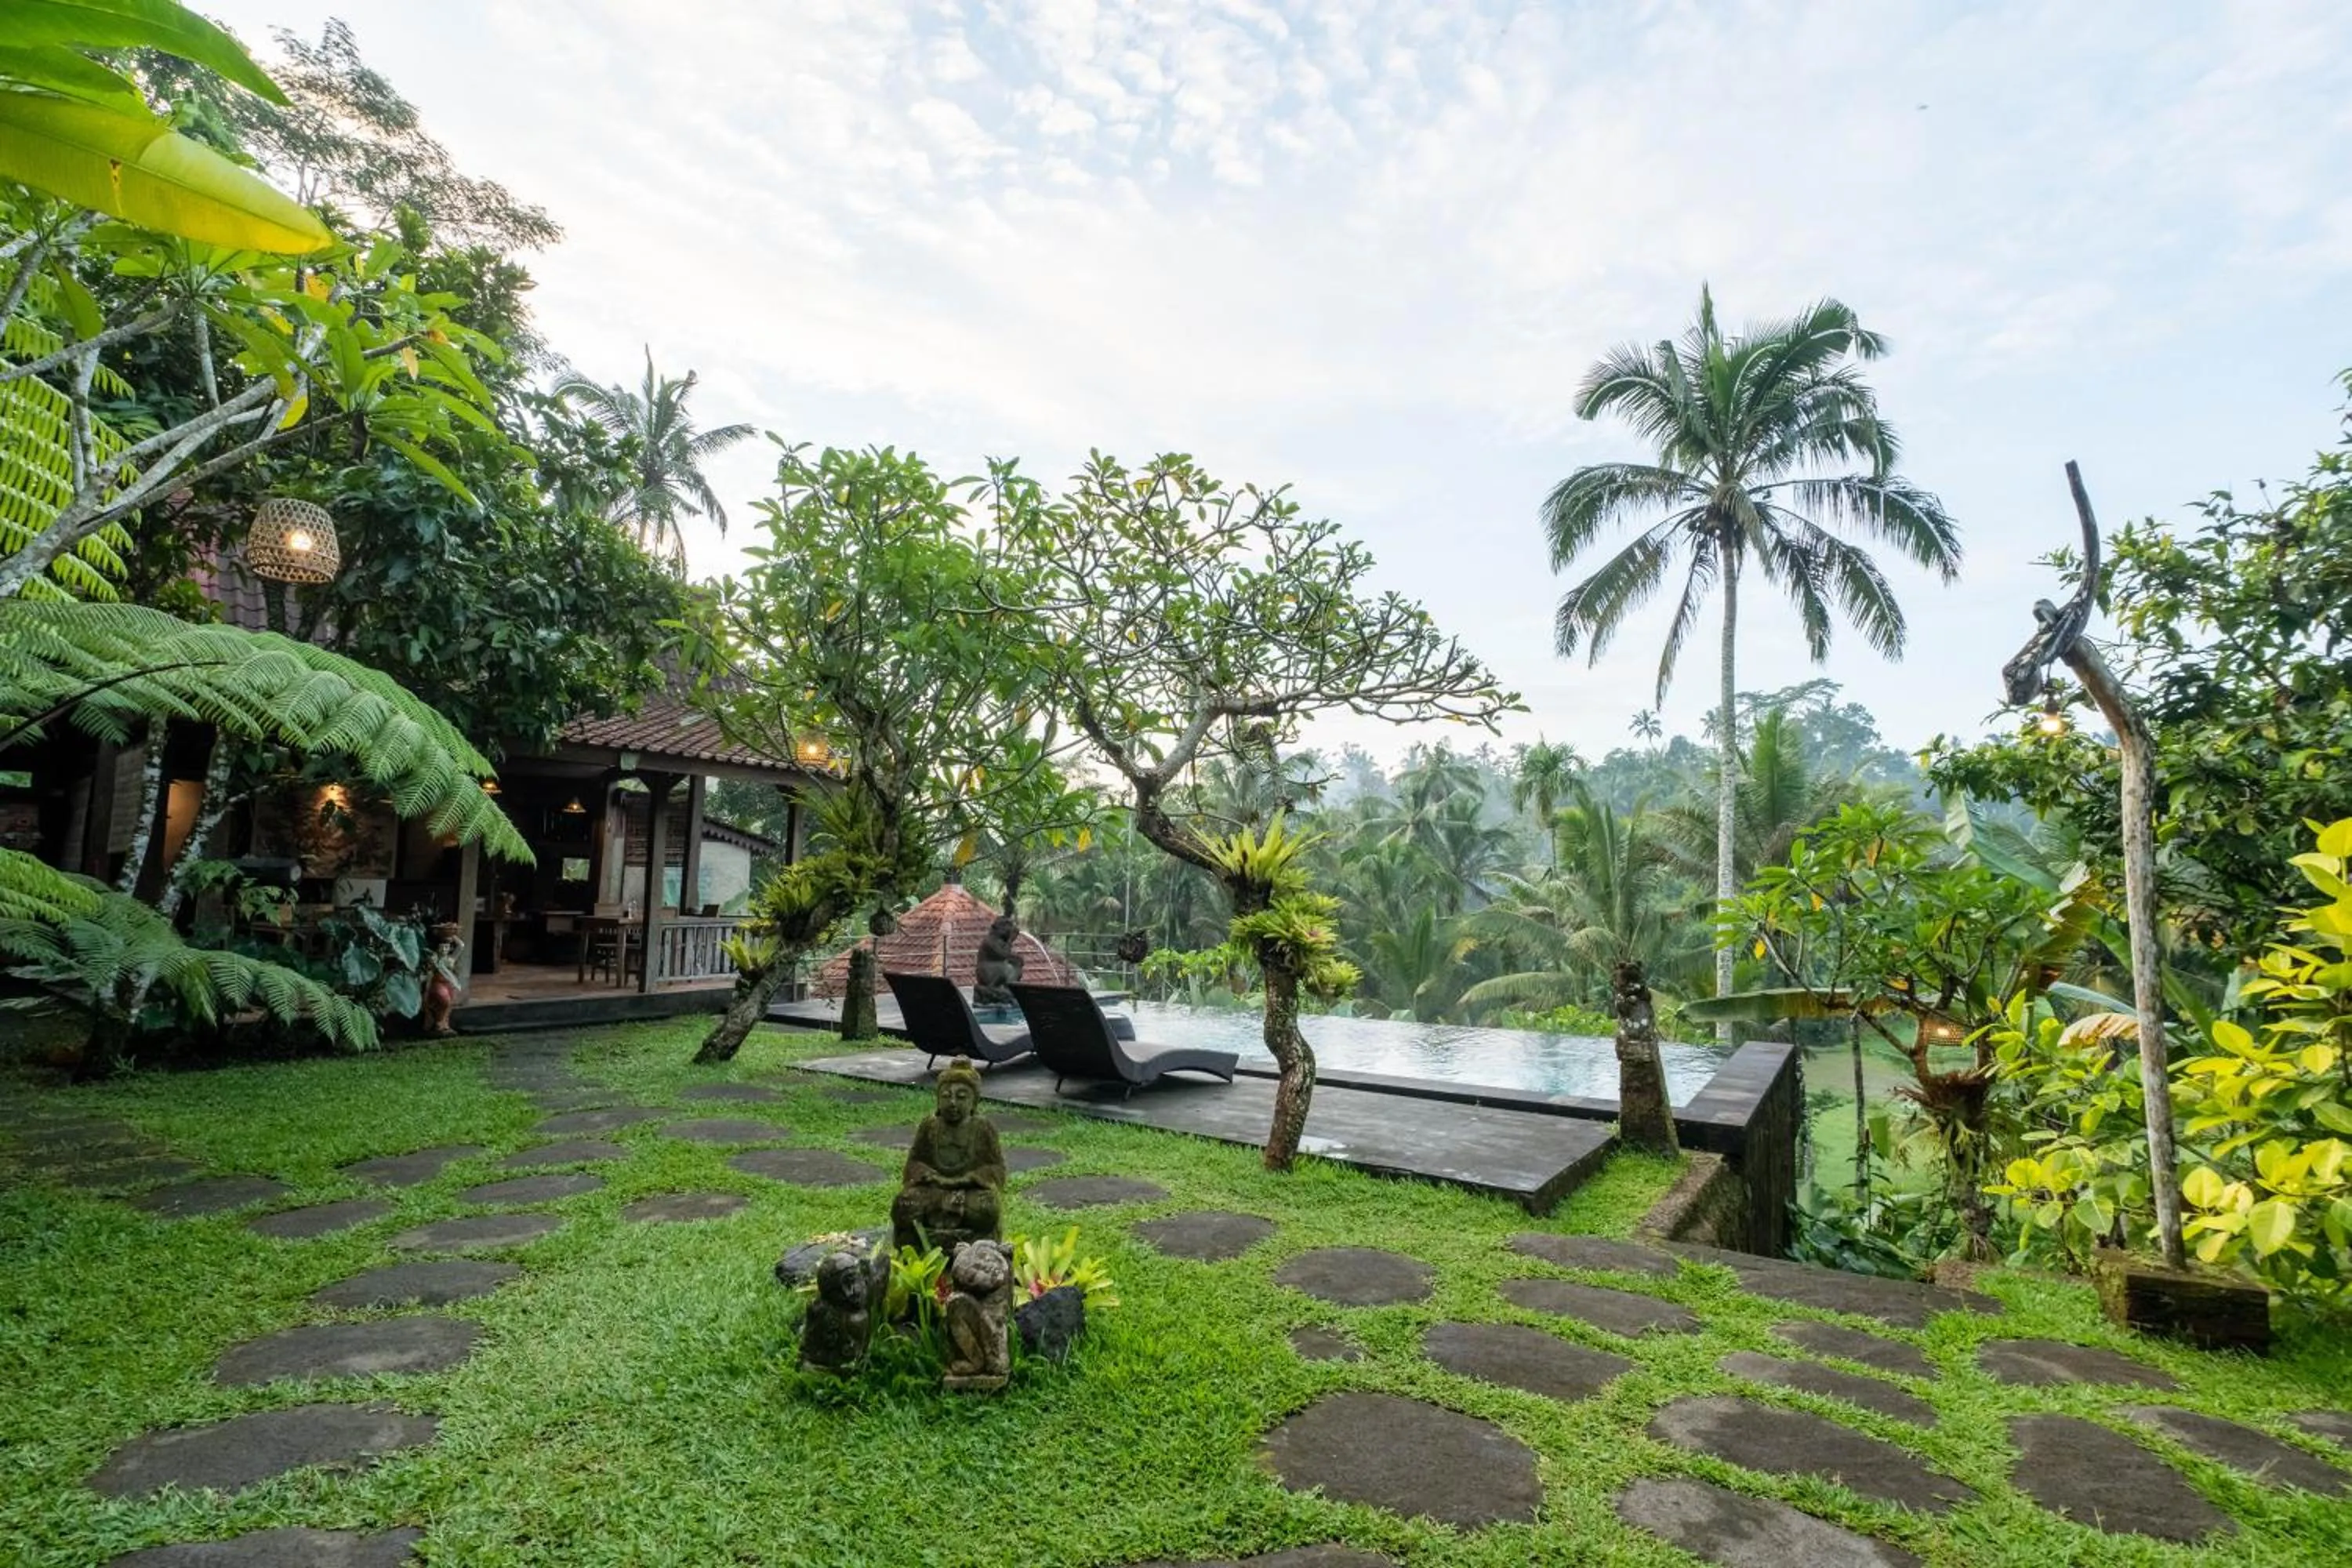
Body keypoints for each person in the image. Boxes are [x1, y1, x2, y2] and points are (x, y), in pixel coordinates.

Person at [889, 1057, 1005, 1253]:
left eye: (961, 1097)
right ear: (938, 1099)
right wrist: (925, 1174)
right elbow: (914, 1162)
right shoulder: (930, 1126)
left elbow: (997, 1168)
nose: (952, 1103)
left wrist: (971, 1178)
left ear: (973, 1101)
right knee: (904, 1204)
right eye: (946, 1096)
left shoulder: (983, 1128)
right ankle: (918, 1241)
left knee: (987, 1209)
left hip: (969, 1192)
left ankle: (973, 1245)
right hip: (933, 1189)